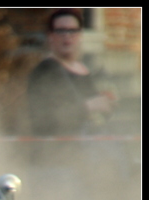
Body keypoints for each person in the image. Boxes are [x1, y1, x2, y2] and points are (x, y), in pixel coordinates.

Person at [27, 8, 116, 136]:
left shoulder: (86, 69)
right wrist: (89, 106)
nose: (67, 35)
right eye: (61, 30)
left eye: (72, 30)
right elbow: (44, 120)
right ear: (50, 36)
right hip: (56, 152)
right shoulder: (45, 71)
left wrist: (107, 103)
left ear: (80, 34)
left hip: (89, 150)